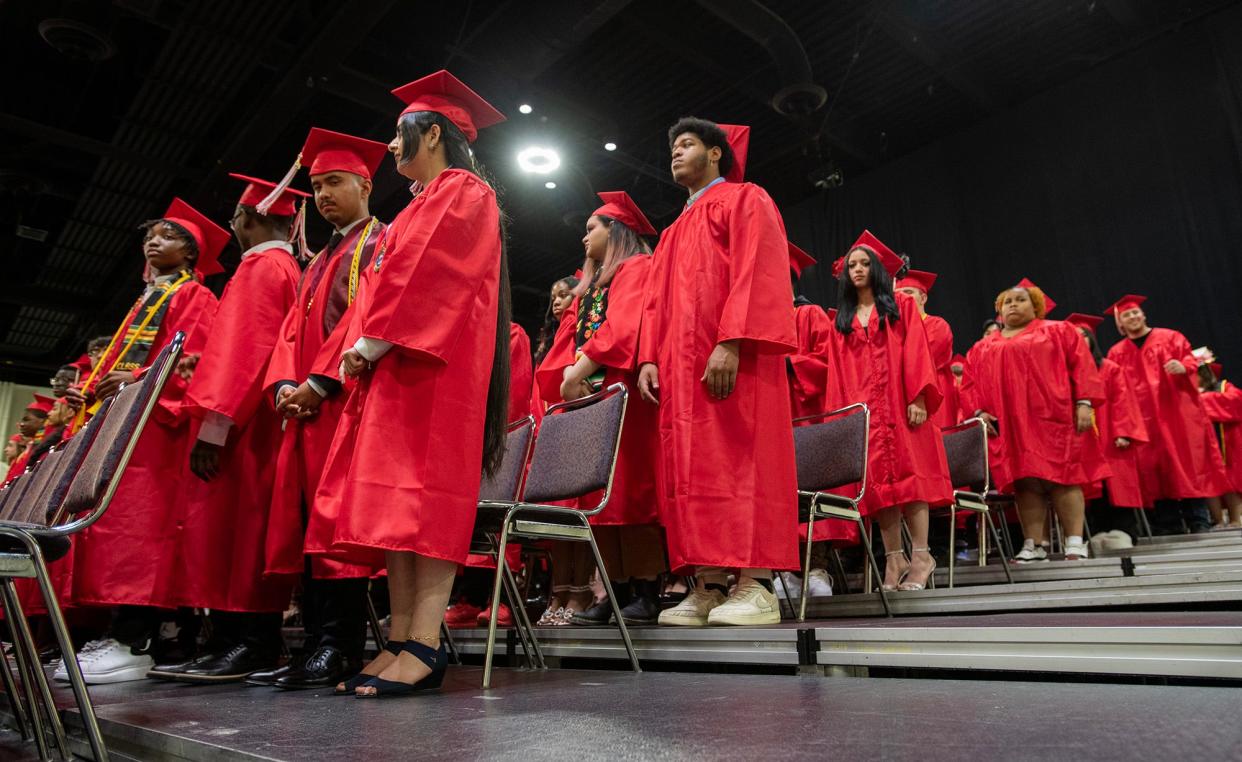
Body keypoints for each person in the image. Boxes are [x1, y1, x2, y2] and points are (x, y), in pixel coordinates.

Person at [309, 69, 508, 697]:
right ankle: (399, 638)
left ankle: (425, 642)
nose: (393, 148)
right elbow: (377, 288)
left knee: (426, 506)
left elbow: (432, 274)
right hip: (398, 366)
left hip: (434, 370)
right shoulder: (420, 202)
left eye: (401, 136)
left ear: (434, 132)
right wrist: (358, 352)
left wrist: (369, 344)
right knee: (397, 512)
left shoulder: (464, 190)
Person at [147, 175, 309, 683]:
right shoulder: (286, 266)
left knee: (240, 536)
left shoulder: (262, 267)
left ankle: (249, 642)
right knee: (240, 535)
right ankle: (232, 641)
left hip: (246, 426)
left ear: (246, 218)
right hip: (260, 418)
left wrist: (212, 431)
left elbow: (244, 354)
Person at [638, 118, 799, 627]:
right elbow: (653, 303)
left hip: (733, 358)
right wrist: (647, 357)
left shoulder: (745, 199)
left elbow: (759, 270)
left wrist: (730, 341)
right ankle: (707, 583)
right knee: (692, 470)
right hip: (680, 373)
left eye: (685, 144)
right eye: (672, 146)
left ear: (715, 153)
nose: (675, 153)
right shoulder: (671, 231)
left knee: (741, 459)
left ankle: (756, 583)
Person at [254, 127, 390, 691]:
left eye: (335, 181)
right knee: (309, 525)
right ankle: (313, 641)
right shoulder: (318, 259)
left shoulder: (380, 244)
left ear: (364, 184)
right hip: (308, 411)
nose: (324, 194)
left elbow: (370, 319)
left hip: (349, 403)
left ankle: (339, 646)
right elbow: (289, 331)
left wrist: (319, 382)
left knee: (338, 532)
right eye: (316, 187)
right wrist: (285, 384)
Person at [67, 198, 223, 684]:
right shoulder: (147, 298)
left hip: (158, 429)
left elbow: (193, 360)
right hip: (132, 425)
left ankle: (136, 639)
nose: (153, 241)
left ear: (192, 252)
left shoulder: (193, 297)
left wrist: (134, 376)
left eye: (168, 235)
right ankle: (121, 635)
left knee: (141, 533)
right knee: (117, 529)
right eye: (149, 235)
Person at [537, 190, 666, 625]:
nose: (584, 237)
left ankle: (646, 591)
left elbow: (624, 326)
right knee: (602, 498)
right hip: (598, 397)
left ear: (616, 230)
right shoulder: (597, 284)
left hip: (625, 391)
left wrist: (577, 371)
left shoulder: (637, 267)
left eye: (591, 228)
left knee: (632, 493)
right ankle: (615, 591)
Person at [818, 231, 952, 590]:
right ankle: (895, 560)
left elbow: (917, 353)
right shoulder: (842, 321)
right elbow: (837, 375)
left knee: (912, 480)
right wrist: (842, 422)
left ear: (877, 269)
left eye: (864, 264)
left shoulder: (901, 306)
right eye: (851, 265)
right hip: (865, 414)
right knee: (878, 488)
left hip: (902, 404)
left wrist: (919, 398)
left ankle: (922, 556)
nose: (857, 270)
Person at [962, 283, 1105, 561]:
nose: (1013, 305)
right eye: (1007, 302)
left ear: (1036, 305)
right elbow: (969, 384)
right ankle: (1034, 543)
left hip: (1055, 417)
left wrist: (1084, 402)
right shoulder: (983, 346)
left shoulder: (1058, 331)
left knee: (1064, 478)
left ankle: (1075, 541)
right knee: (1025, 482)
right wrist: (979, 411)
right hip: (1010, 424)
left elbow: (1083, 365)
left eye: (1020, 300)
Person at [1104, 295, 1230, 533]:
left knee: (1187, 464)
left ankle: (1198, 519)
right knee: (1154, 470)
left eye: (1135, 312)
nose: (1132, 317)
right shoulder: (1116, 352)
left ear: (1143, 315)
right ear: (1120, 323)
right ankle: (1168, 523)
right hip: (1143, 420)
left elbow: (1191, 362)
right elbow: (1115, 390)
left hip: (1177, 414)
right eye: (1126, 315)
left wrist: (1185, 367)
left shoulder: (1171, 337)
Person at [1065, 313, 1149, 538]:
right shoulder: (1065, 371)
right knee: (1090, 487)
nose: (1079, 340)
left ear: (1092, 339)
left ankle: (1125, 532)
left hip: (1110, 436)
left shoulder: (1109, 368)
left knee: (1116, 485)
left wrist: (1123, 432)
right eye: (1074, 336)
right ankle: (1096, 534)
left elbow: (1123, 401)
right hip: (1081, 438)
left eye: (1083, 335)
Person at [896, 269, 958, 428]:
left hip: (932, 395)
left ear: (923, 298)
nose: (901, 297)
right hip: (901, 397)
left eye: (908, 292)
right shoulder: (894, 329)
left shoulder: (937, 325)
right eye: (896, 293)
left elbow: (922, 360)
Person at [1198, 362, 1242, 528]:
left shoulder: (1224, 387)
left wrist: (1201, 399)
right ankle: (1217, 520)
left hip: (1226, 443)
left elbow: (1235, 402)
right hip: (1203, 446)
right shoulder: (1185, 392)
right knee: (1209, 483)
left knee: (1230, 480)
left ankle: (1235, 520)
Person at [2, 394, 55, 485]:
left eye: (27, 420)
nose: (21, 424)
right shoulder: (33, 446)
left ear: (43, 421)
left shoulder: (46, 446)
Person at [534, 276, 579, 365]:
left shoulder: (586, 328)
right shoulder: (549, 338)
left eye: (563, 296)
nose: (556, 302)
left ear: (576, 297)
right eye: (553, 299)